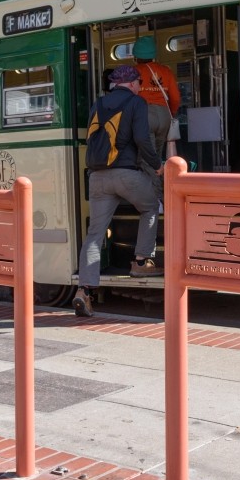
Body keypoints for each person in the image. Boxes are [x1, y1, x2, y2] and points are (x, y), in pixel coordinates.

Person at [73, 65, 163, 318]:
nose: (140, 85)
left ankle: (84, 290)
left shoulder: (98, 103)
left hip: (97, 177)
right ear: (132, 83)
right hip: (126, 174)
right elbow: (143, 139)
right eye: (139, 82)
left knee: (94, 234)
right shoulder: (137, 102)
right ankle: (142, 262)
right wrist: (157, 166)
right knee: (150, 207)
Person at [132, 35, 181, 161]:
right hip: (164, 115)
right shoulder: (165, 71)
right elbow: (175, 98)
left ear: (136, 56)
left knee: (146, 156)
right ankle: (158, 178)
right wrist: (171, 113)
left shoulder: (133, 71)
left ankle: (152, 181)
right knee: (157, 155)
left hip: (144, 114)